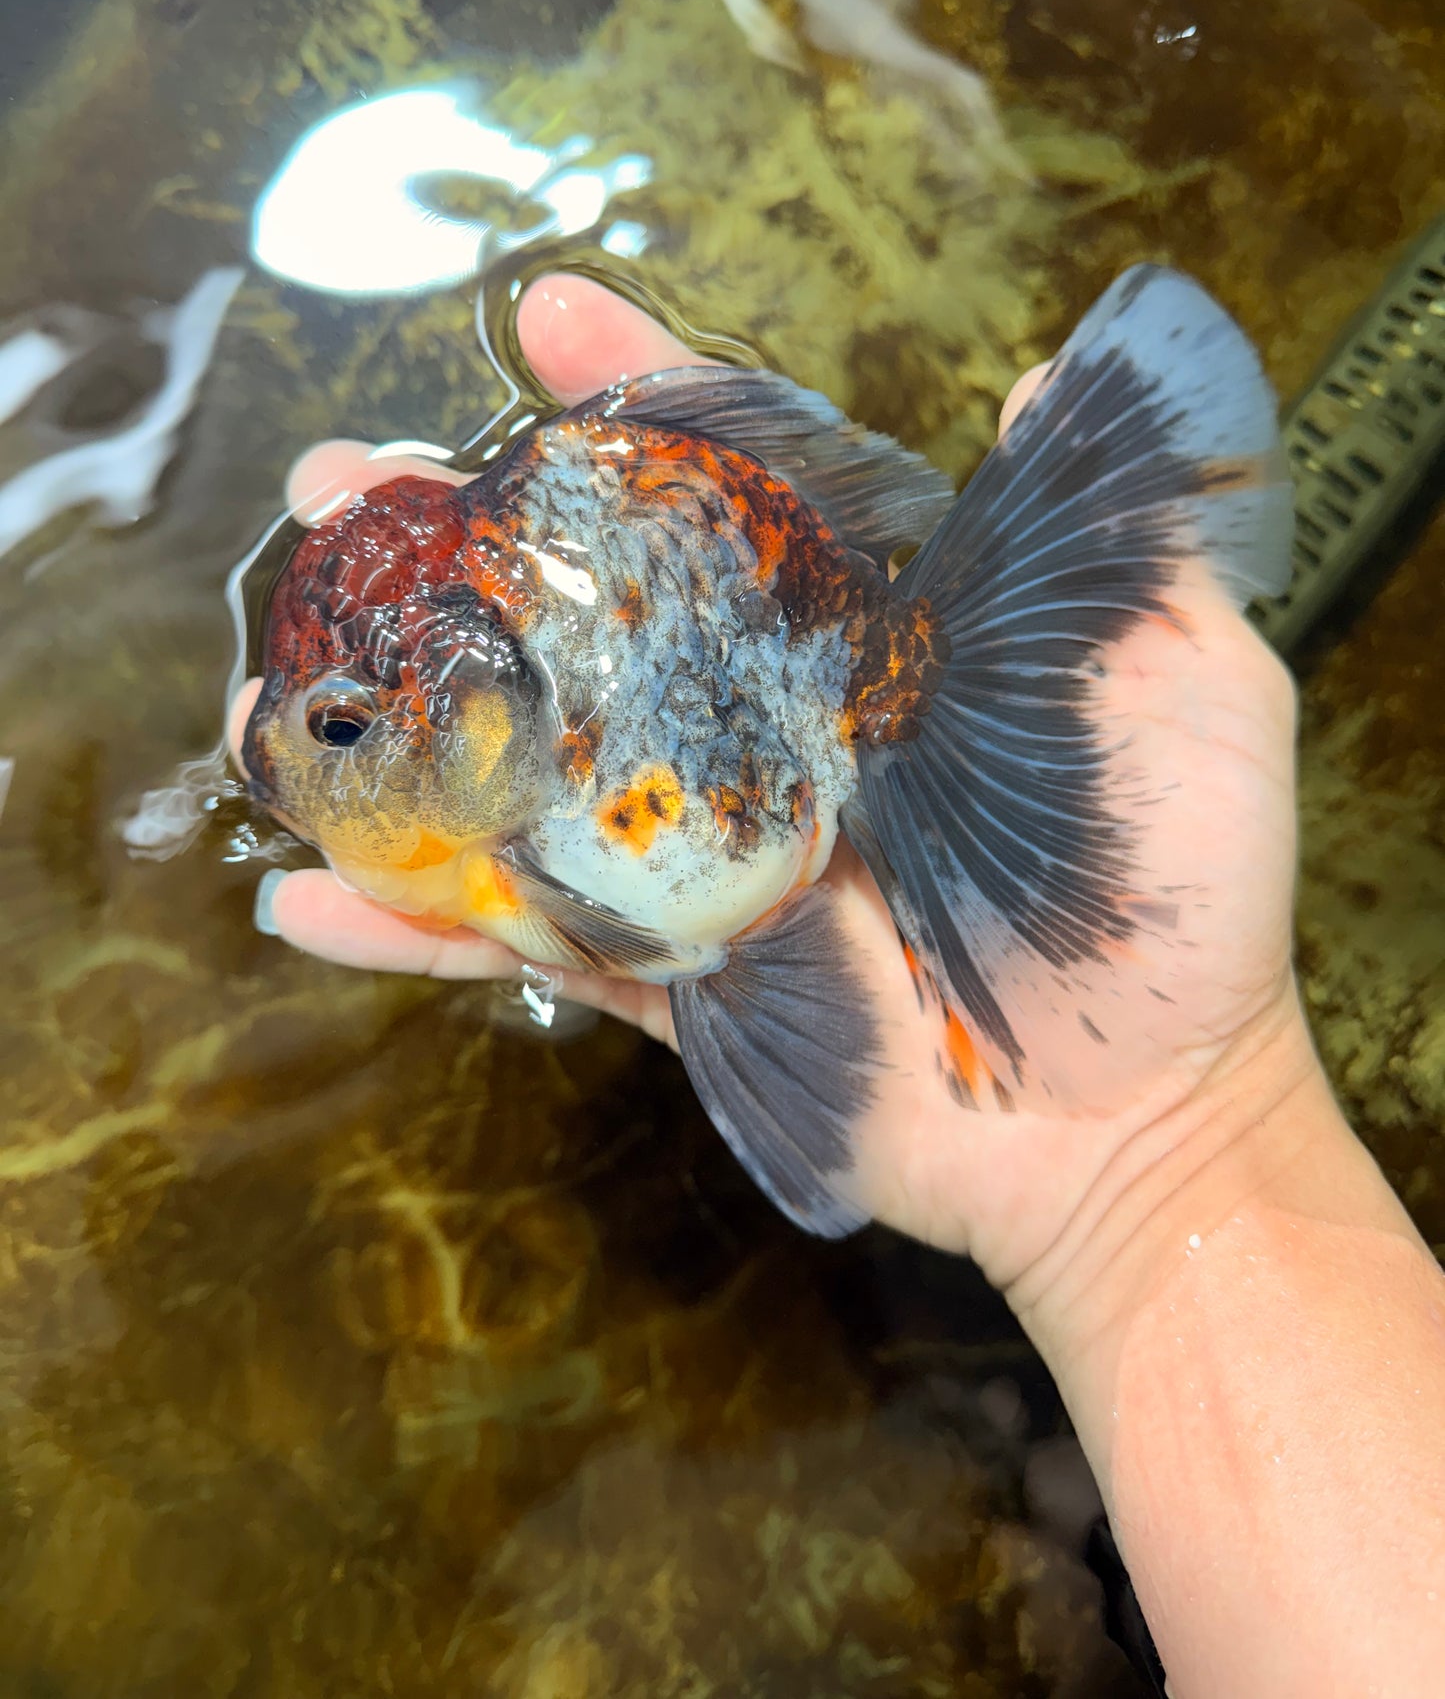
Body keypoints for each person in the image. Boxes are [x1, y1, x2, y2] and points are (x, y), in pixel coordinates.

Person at [231, 274, 1445, 1699]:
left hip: (805, 722)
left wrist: (1170, 1159)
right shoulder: (493, 787)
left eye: (338, 727)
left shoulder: (533, 822)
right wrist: (1167, 1184)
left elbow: (654, 930)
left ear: (484, 704)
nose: (283, 762)